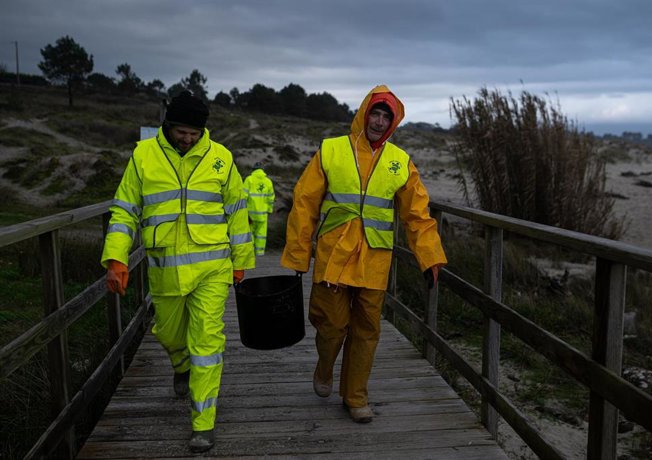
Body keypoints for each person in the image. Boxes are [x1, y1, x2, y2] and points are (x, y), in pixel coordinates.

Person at [280, 84, 447, 423]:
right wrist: (299, 255)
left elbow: (417, 214)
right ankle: (325, 368)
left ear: (393, 122)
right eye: (375, 112)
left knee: (366, 331)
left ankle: (355, 396)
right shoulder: (331, 150)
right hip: (334, 256)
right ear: (364, 113)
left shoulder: (401, 163)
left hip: (374, 261)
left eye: (387, 116)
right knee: (331, 326)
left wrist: (429, 257)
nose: (379, 121)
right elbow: (304, 204)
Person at [101, 91, 254, 453]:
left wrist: (242, 260)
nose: (188, 138)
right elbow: (124, 211)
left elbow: (237, 210)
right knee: (169, 334)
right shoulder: (143, 157)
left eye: (195, 133)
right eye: (182, 131)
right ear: (168, 125)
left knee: (207, 342)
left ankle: (203, 423)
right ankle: (180, 365)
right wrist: (116, 258)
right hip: (165, 267)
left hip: (212, 267)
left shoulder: (221, 158)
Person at [243, 161, 275, 256]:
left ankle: (250, 253)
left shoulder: (249, 180)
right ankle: (260, 254)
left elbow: (243, 196)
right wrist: (269, 210)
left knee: (250, 233)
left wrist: (243, 211)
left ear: (253, 169)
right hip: (263, 214)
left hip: (250, 214)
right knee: (261, 235)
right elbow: (271, 198)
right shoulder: (268, 181)